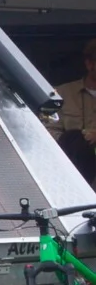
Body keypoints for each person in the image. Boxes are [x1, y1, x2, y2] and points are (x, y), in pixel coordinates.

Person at [47, 39, 96, 183]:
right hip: (71, 175)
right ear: (89, 64)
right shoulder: (59, 93)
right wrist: (73, 141)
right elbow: (46, 130)